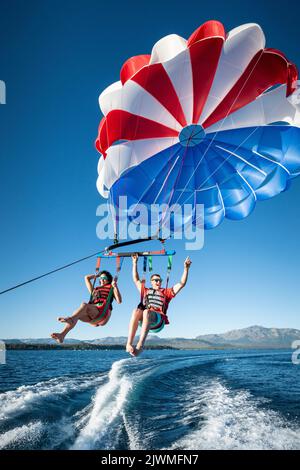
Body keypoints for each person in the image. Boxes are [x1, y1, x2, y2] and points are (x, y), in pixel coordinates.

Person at [126, 255, 192, 356]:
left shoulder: (166, 292)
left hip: (158, 321)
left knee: (146, 311)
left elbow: (182, 283)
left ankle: (140, 346)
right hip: (145, 319)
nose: (158, 282)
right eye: (156, 280)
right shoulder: (146, 291)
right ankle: (129, 344)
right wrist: (134, 263)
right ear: (151, 282)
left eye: (159, 280)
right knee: (136, 311)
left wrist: (186, 269)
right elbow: (136, 279)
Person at [51, 270, 122, 344]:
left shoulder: (111, 287)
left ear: (109, 279)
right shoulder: (95, 290)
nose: (102, 280)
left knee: (83, 305)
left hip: (102, 313)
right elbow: (86, 278)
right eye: (100, 278)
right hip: (92, 317)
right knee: (76, 314)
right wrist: (97, 275)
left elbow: (119, 301)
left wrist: (115, 286)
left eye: (104, 278)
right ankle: (62, 335)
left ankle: (70, 319)